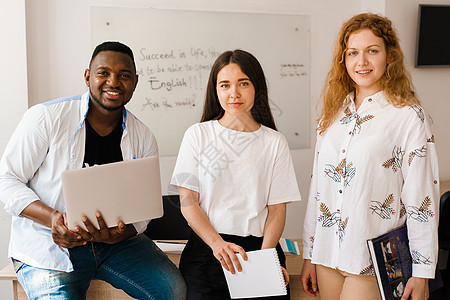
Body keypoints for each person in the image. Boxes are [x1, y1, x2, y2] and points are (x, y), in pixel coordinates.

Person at [0, 41, 186, 300]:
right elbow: (7, 179)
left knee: (172, 291)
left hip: (117, 247)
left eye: (124, 75)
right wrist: (53, 219)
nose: (114, 82)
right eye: (103, 73)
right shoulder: (46, 118)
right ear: (87, 76)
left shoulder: (143, 137)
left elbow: (145, 209)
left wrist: (124, 233)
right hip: (48, 244)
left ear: (135, 81)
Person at [300, 13, 439, 300]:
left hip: (372, 260)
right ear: (344, 60)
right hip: (327, 255)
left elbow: (421, 198)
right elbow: (319, 190)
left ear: (390, 57)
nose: (361, 62)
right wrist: (310, 253)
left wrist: (423, 271)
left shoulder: (409, 117)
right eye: (353, 53)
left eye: (372, 51)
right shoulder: (333, 115)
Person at [170, 49, 301, 299]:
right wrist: (218, 244)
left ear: (256, 87)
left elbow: (277, 210)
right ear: (215, 90)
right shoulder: (198, 135)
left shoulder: (275, 142)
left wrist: (265, 259)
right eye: (225, 85)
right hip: (208, 250)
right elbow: (188, 203)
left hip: (260, 249)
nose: (234, 94)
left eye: (243, 83)